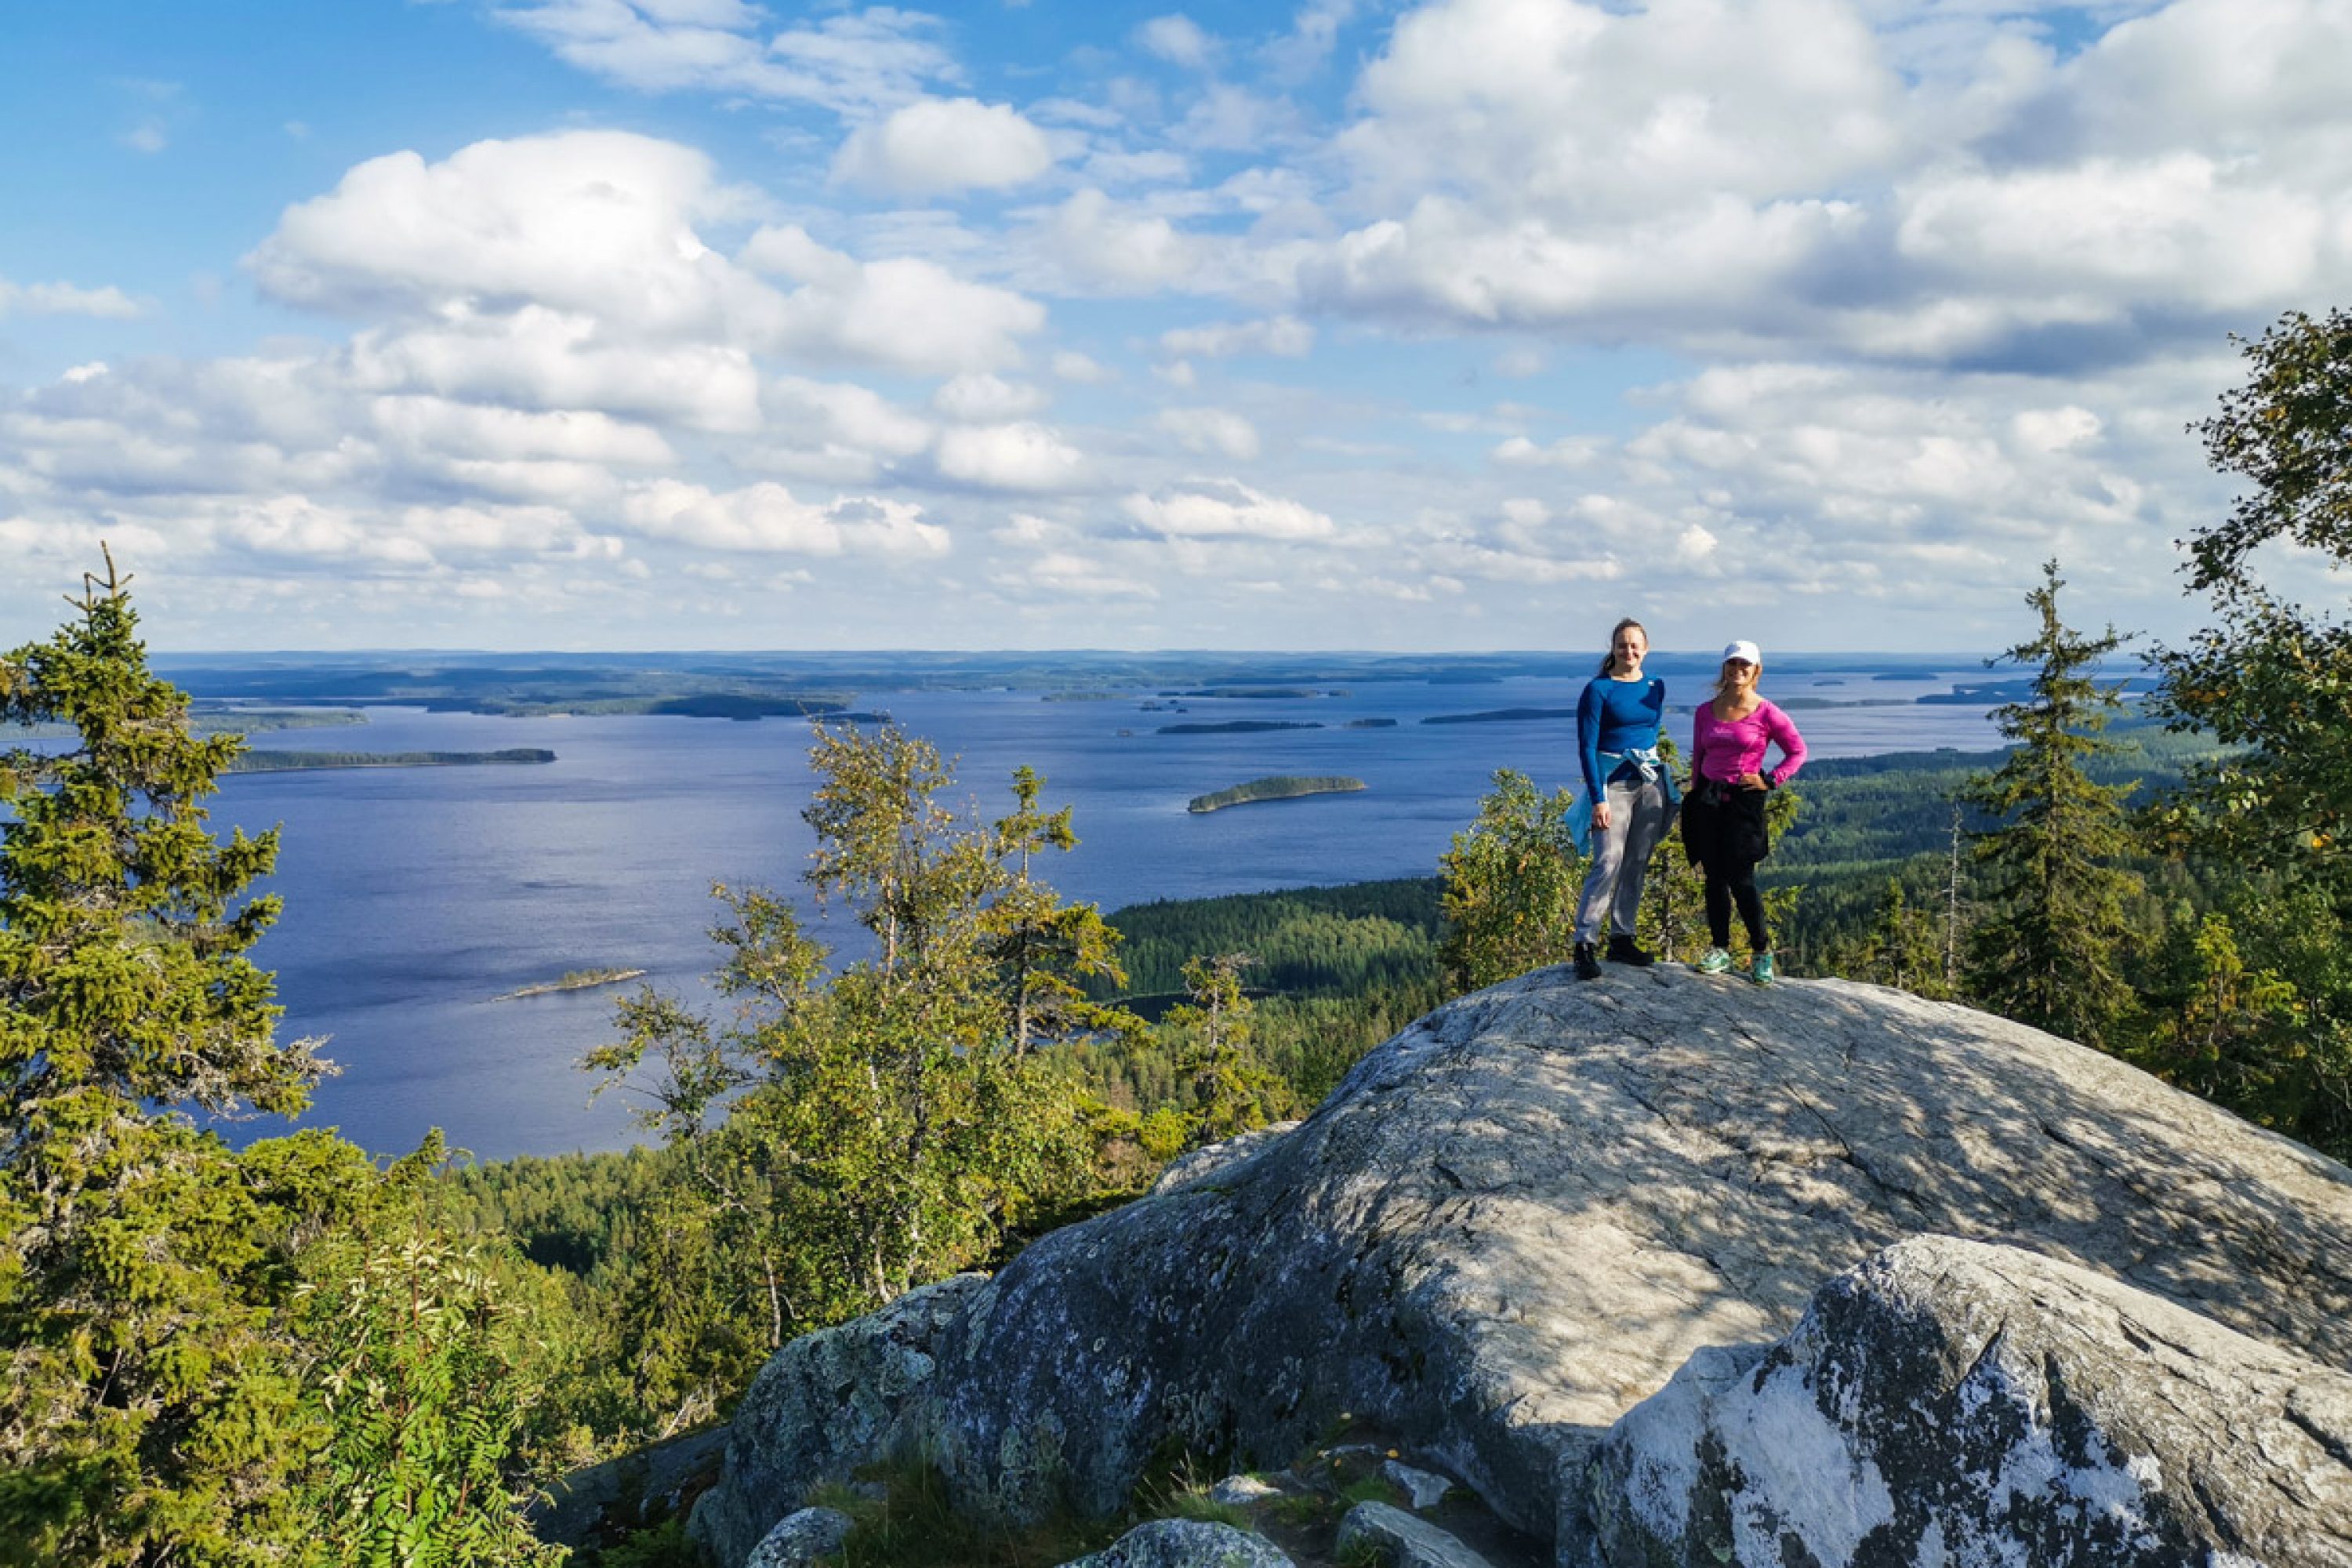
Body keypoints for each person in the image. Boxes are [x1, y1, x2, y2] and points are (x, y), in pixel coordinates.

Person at [1680, 639, 1806, 985]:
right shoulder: (1706, 711)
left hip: (1744, 801)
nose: (1738, 670)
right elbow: (1699, 758)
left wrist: (1771, 780)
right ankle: (1719, 948)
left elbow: (1797, 751)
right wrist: (1693, 798)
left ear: (1756, 671)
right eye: (1732, 664)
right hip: (1708, 799)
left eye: (1744, 665)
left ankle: (1761, 953)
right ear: (1724, 668)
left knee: (1742, 878)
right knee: (1714, 878)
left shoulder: (1767, 713)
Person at [1570, 617, 1675, 981]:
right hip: (1612, 786)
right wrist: (1597, 798)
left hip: (1649, 784)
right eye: (1621, 645)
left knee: (1637, 860)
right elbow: (1587, 747)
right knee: (1608, 860)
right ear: (1612, 649)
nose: (1628, 651)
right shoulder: (1598, 690)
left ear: (1645, 650)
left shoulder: (1655, 687)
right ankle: (1585, 943)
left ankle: (1622, 937)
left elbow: (1649, 734)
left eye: (1635, 645)